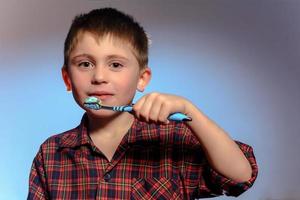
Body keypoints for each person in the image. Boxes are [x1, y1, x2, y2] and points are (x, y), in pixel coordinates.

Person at [28, 7, 258, 200]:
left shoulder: (172, 138)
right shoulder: (51, 153)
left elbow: (240, 177)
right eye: (85, 64)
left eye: (116, 65)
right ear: (67, 78)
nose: (99, 76)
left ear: (142, 78)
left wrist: (189, 110)